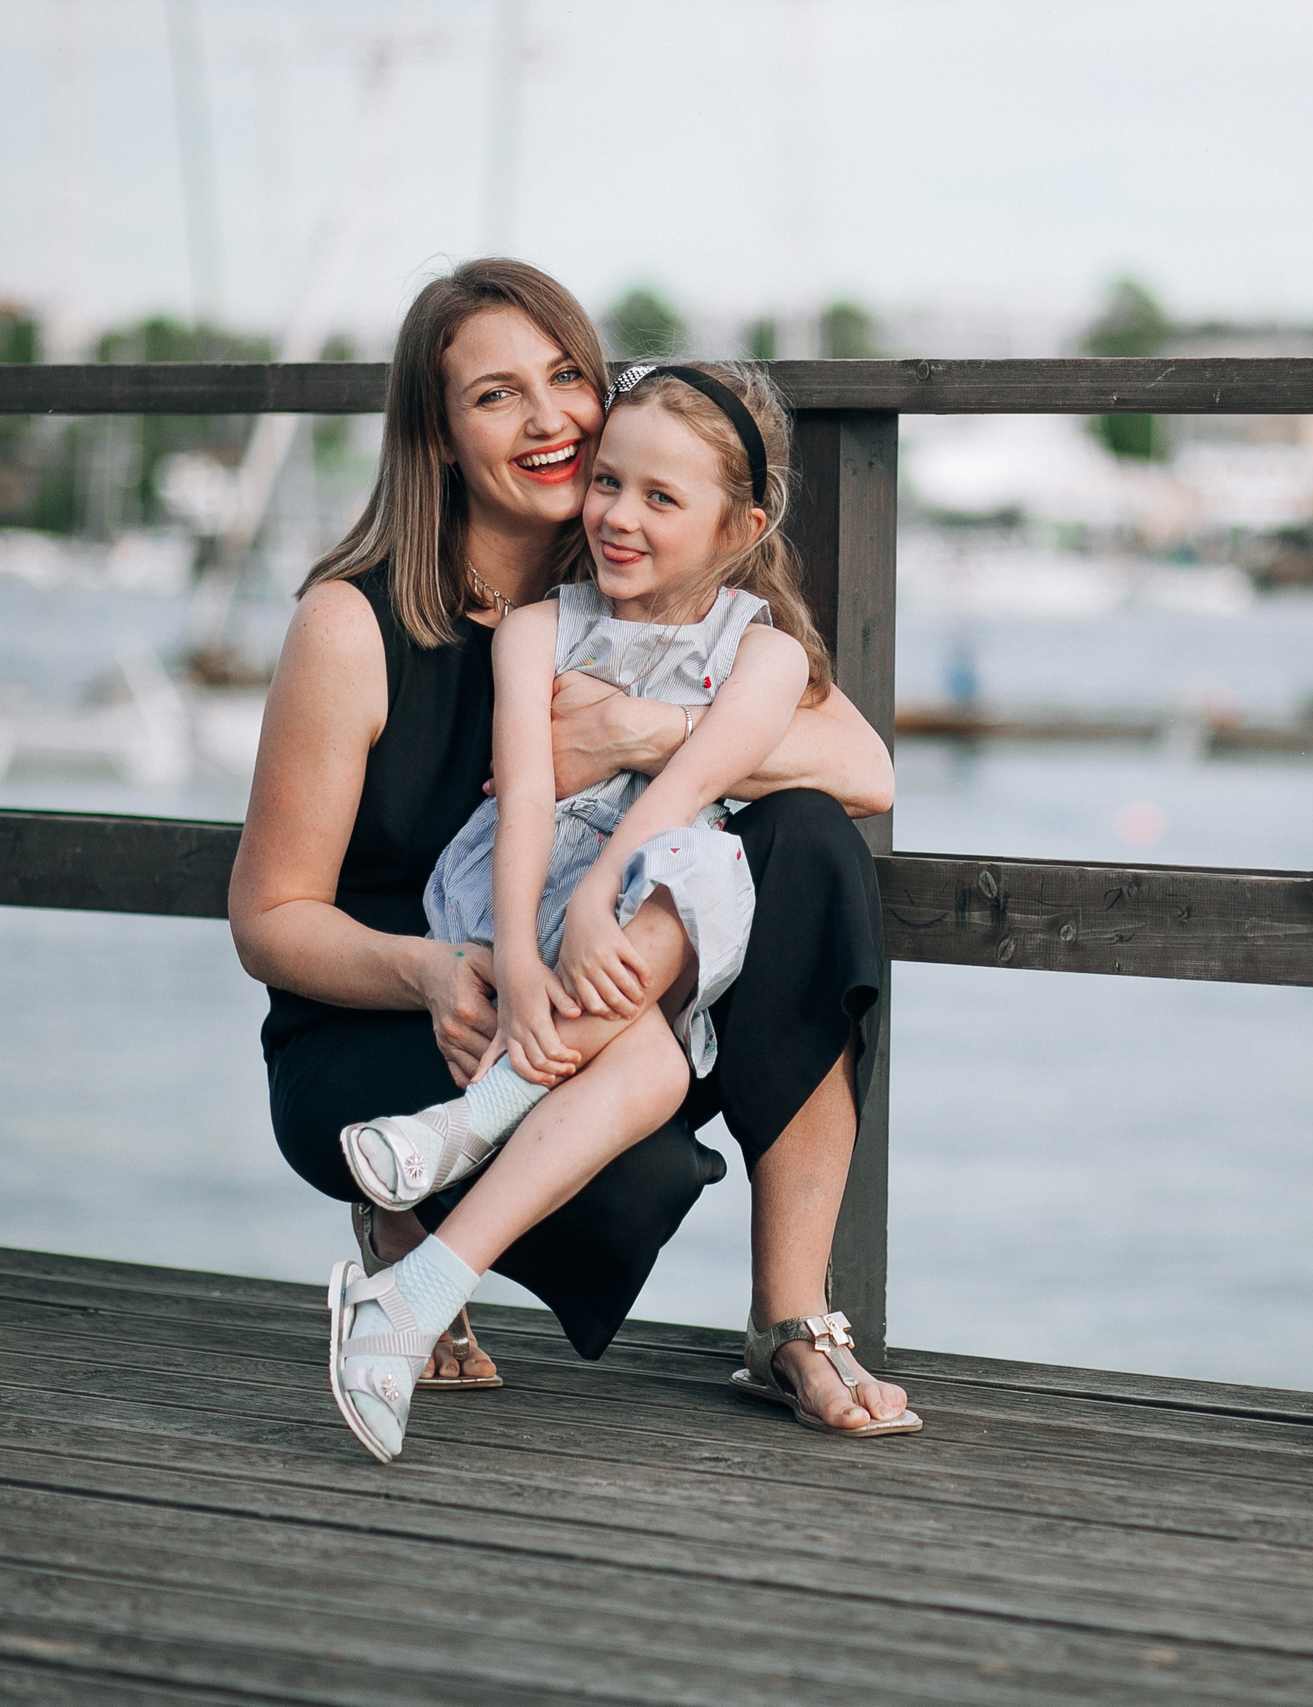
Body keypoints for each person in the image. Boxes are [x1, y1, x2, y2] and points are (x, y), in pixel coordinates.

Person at [229, 259, 911, 1440]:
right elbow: (268, 918)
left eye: (566, 377)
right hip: (398, 1009)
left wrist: (636, 733)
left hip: (588, 987)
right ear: (437, 436)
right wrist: (435, 972)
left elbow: (859, 770)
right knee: (630, 1178)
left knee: (806, 843)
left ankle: (790, 1321)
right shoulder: (354, 625)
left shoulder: (650, 559)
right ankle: (402, 1232)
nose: (548, 419)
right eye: (496, 396)